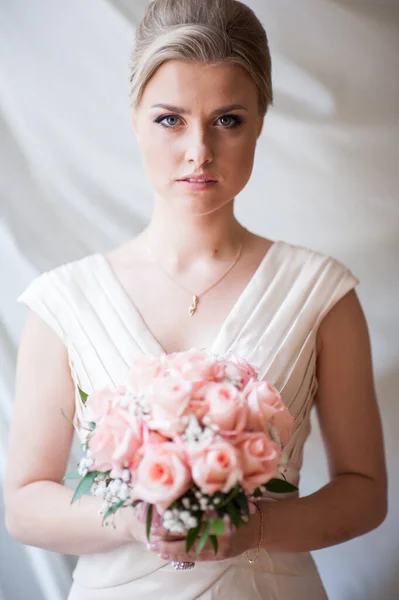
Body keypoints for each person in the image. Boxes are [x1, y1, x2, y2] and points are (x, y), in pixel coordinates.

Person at [4, 0, 387, 598]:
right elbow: (25, 504)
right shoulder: (65, 300)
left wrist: (255, 527)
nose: (199, 150)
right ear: (135, 119)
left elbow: (364, 492)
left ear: (261, 119)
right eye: (170, 119)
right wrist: (134, 519)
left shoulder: (321, 293)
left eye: (228, 119)